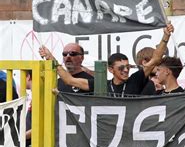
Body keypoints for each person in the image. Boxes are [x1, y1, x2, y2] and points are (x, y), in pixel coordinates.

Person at [39, 24, 173, 96]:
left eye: (127, 67)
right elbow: (69, 80)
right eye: (121, 68)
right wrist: (51, 58)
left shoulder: (135, 80)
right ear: (110, 70)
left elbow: (155, 59)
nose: (126, 70)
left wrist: (165, 36)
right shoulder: (102, 85)